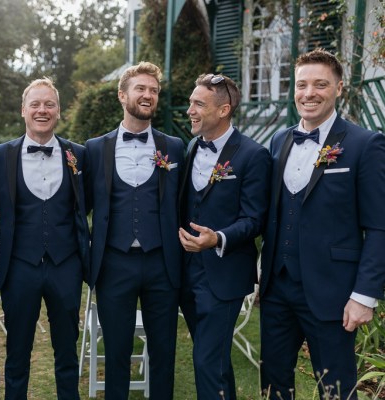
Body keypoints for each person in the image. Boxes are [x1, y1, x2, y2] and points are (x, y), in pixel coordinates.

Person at [260, 48, 385, 399]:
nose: (309, 93)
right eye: (302, 84)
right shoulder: (278, 140)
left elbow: (379, 226)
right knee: (273, 384)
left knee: (337, 389)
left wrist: (364, 296)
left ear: (339, 88)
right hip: (277, 289)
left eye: (320, 84)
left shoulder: (365, 144)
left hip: (334, 292)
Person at [85, 61, 184, 399]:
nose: (148, 95)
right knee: (115, 354)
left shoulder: (174, 147)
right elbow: (79, 207)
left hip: (162, 264)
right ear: (122, 95)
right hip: (114, 264)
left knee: (163, 354)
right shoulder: (95, 149)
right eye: (140, 89)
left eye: (153, 90)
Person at [0, 77, 89, 400]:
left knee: (67, 352)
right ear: (23, 110)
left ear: (58, 111)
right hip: (19, 267)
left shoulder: (80, 156)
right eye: (35, 104)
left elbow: (96, 206)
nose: (42, 110)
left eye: (49, 104)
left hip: (66, 266)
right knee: (16, 353)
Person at [177, 73, 271, 399]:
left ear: (223, 110)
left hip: (224, 275)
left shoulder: (252, 154)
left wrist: (217, 238)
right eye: (191, 102)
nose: (190, 110)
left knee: (206, 360)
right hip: (188, 274)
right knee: (214, 361)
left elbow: (255, 220)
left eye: (198, 104)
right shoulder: (191, 147)